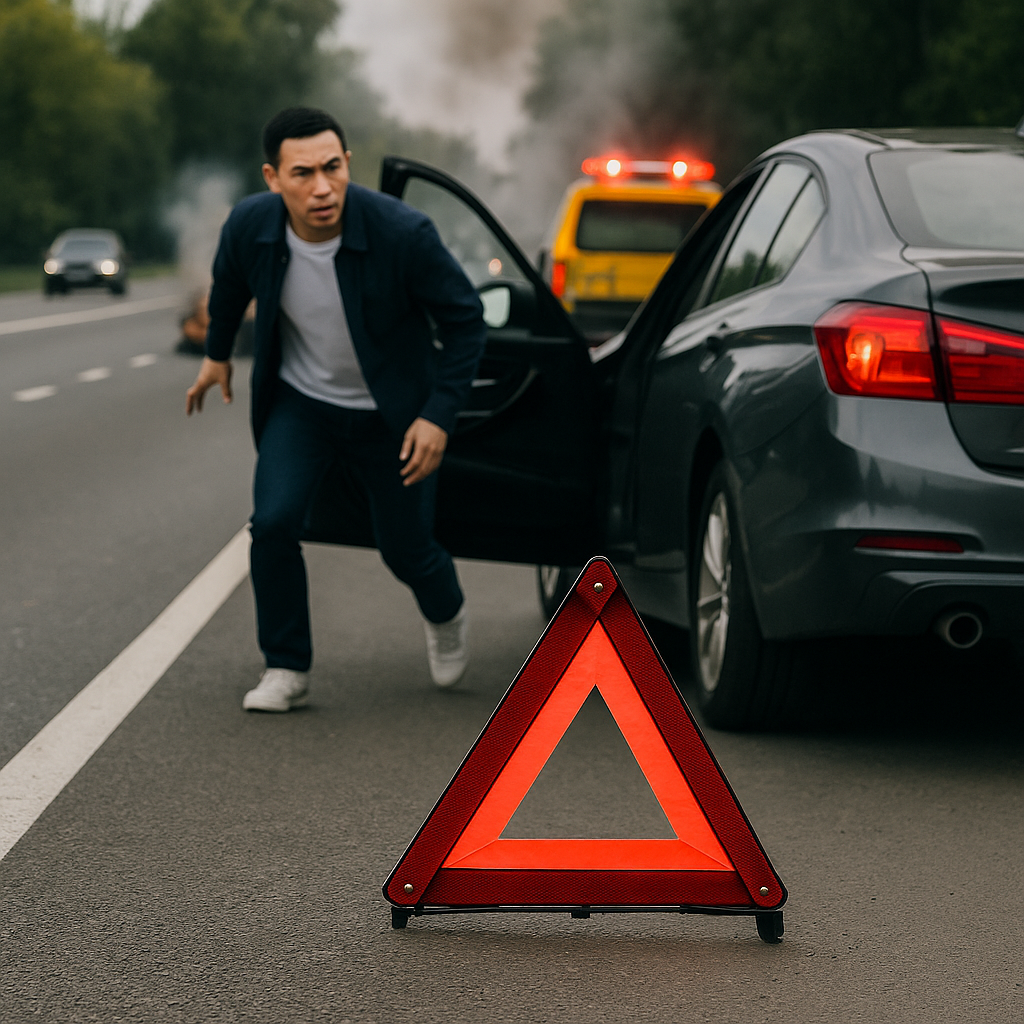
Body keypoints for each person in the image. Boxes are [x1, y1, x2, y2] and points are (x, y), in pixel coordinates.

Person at [185, 107, 487, 712]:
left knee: (405, 548)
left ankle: (446, 612)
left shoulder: (402, 234)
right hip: (303, 406)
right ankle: (286, 666)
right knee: (272, 524)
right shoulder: (250, 226)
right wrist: (217, 355)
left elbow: (465, 322)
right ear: (273, 178)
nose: (321, 188)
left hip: (392, 417)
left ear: (347, 163)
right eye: (302, 174)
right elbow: (228, 285)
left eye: (332, 168)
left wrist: (438, 414)